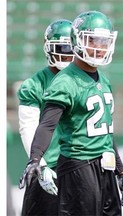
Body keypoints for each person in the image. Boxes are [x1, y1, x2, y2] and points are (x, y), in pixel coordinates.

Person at [19, 11, 123, 216]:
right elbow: (46, 124)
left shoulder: (103, 80)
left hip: (104, 166)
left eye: (103, 42)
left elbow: (106, 134)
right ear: (77, 41)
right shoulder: (65, 81)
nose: (99, 47)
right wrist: (36, 160)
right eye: (93, 40)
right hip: (79, 165)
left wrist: (121, 171)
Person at [17, 19, 74, 215]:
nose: (66, 52)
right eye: (62, 47)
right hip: (49, 165)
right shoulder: (34, 84)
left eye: (70, 47)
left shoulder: (85, 80)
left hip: (78, 167)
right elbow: (28, 126)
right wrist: (39, 165)